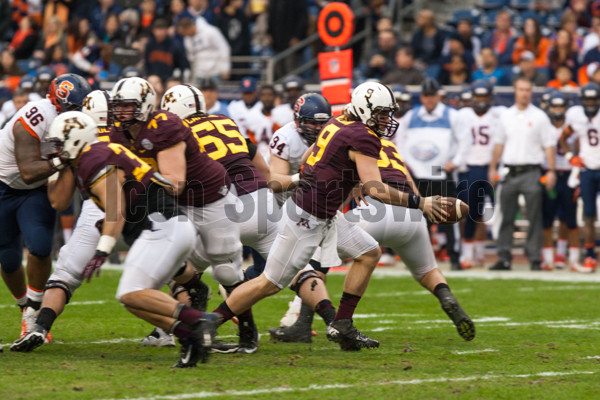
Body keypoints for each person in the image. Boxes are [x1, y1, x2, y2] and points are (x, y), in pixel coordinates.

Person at [211, 82, 447, 351]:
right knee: (269, 283)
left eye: (387, 113)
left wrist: (342, 177)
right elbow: (376, 189)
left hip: (324, 213)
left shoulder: (339, 122)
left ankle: (343, 324)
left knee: (368, 252)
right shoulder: (362, 135)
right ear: (365, 110)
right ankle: (208, 323)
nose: (386, 119)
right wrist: (420, 202)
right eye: (381, 113)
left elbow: (313, 156)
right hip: (307, 217)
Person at [11, 111, 218, 367]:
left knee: (130, 292)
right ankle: (190, 337)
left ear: (75, 140)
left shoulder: (94, 158)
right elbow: (58, 201)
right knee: (133, 300)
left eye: (59, 143)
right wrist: (59, 166)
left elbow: (115, 207)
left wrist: (102, 249)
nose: (55, 149)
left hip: (162, 226)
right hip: (158, 228)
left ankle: (198, 320)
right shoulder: (86, 158)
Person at [161, 84, 277, 352]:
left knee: (181, 264)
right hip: (263, 199)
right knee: (289, 273)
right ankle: (327, 316)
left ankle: (194, 327)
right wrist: (271, 186)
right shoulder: (225, 120)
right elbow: (256, 160)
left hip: (228, 204)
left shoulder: (178, 133)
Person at [0, 73, 91, 340]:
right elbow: (27, 171)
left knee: (40, 247)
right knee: (7, 258)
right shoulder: (37, 116)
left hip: (36, 190)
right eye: (74, 108)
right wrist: (64, 158)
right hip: (4, 185)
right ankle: (22, 306)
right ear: (57, 103)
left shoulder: (75, 119)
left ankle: (32, 312)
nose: (79, 114)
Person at [396, 78, 470, 270]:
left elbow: (465, 141)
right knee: (418, 219)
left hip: (441, 172)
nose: (429, 100)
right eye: (426, 96)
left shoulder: (452, 116)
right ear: (422, 97)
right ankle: (418, 259)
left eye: (432, 95)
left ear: (439, 95)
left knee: (449, 215)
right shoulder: (411, 117)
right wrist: (406, 164)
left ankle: (454, 258)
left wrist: (455, 162)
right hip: (418, 174)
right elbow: (401, 142)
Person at [488, 77, 557, 271]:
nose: (524, 93)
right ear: (515, 91)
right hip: (509, 170)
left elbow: (549, 146)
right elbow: (499, 143)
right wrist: (492, 167)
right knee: (506, 215)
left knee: (534, 216)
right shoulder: (506, 116)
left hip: (531, 171)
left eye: (527, 89)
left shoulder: (539, 117)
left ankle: (534, 257)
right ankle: (504, 257)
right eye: (521, 89)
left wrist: (551, 170)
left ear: (531, 92)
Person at [457, 80, 505, 269]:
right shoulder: (462, 115)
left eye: (484, 97)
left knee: (493, 212)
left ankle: (482, 253)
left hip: (491, 167)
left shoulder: (499, 115)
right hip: (470, 167)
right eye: (478, 97)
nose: (481, 100)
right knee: (470, 212)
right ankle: (469, 254)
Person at [561, 83, 600, 272]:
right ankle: (590, 256)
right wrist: (571, 157)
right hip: (587, 171)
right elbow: (563, 138)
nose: (591, 103)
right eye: (588, 100)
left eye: (594, 99)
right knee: (589, 215)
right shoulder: (577, 117)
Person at [541, 92, 580, 271]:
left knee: (569, 218)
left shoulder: (573, 128)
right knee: (547, 218)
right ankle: (548, 257)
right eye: (555, 106)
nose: (557, 110)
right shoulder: (544, 126)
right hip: (549, 174)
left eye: (561, 107)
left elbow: (578, 150)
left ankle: (567, 256)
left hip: (568, 174)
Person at [177, 16, 231, 83]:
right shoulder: (187, 39)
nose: (183, 35)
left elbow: (224, 49)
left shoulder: (211, 31)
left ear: (188, 28)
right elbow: (191, 58)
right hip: (199, 74)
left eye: (183, 32)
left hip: (215, 72)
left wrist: (225, 69)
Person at [144, 18, 190, 84]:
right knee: (152, 81)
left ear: (166, 30)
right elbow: (147, 65)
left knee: (172, 84)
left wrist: (176, 78)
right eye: (158, 30)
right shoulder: (150, 44)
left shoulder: (175, 45)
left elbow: (183, 66)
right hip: (154, 79)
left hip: (170, 79)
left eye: (162, 30)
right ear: (153, 31)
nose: (160, 33)